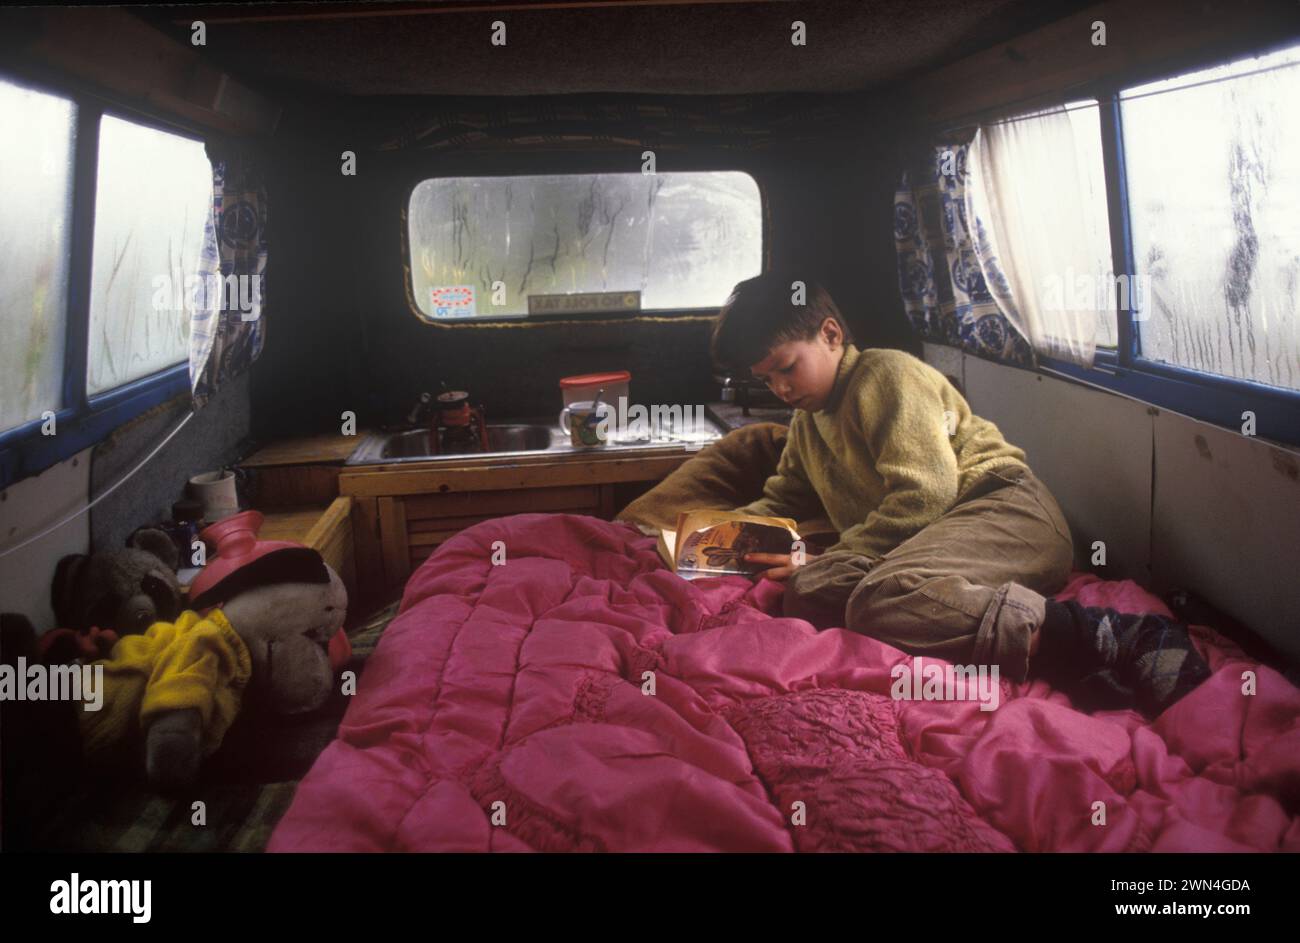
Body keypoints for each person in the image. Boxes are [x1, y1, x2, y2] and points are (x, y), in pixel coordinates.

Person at [710, 272, 1211, 718]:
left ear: (831, 335)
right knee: (809, 592)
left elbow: (924, 495)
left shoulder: (884, 376)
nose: (779, 387)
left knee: (877, 601)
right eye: (766, 379)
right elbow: (782, 501)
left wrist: (837, 554)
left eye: (787, 367)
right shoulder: (806, 424)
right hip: (928, 542)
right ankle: (1065, 662)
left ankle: (1109, 634)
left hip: (1004, 511)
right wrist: (714, 533)